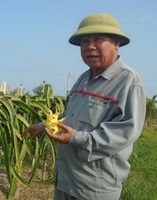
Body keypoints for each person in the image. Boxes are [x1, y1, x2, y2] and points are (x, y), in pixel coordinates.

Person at [23, 13, 146, 200]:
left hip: (95, 186)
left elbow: (126, 131)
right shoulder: (83, 78)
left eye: (98, 39)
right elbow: (71, 113)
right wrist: (42, 126)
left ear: (116, 43)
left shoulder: (128, 81)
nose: (90, 46)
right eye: (84, 41)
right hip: (66, 178)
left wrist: (78, 138)